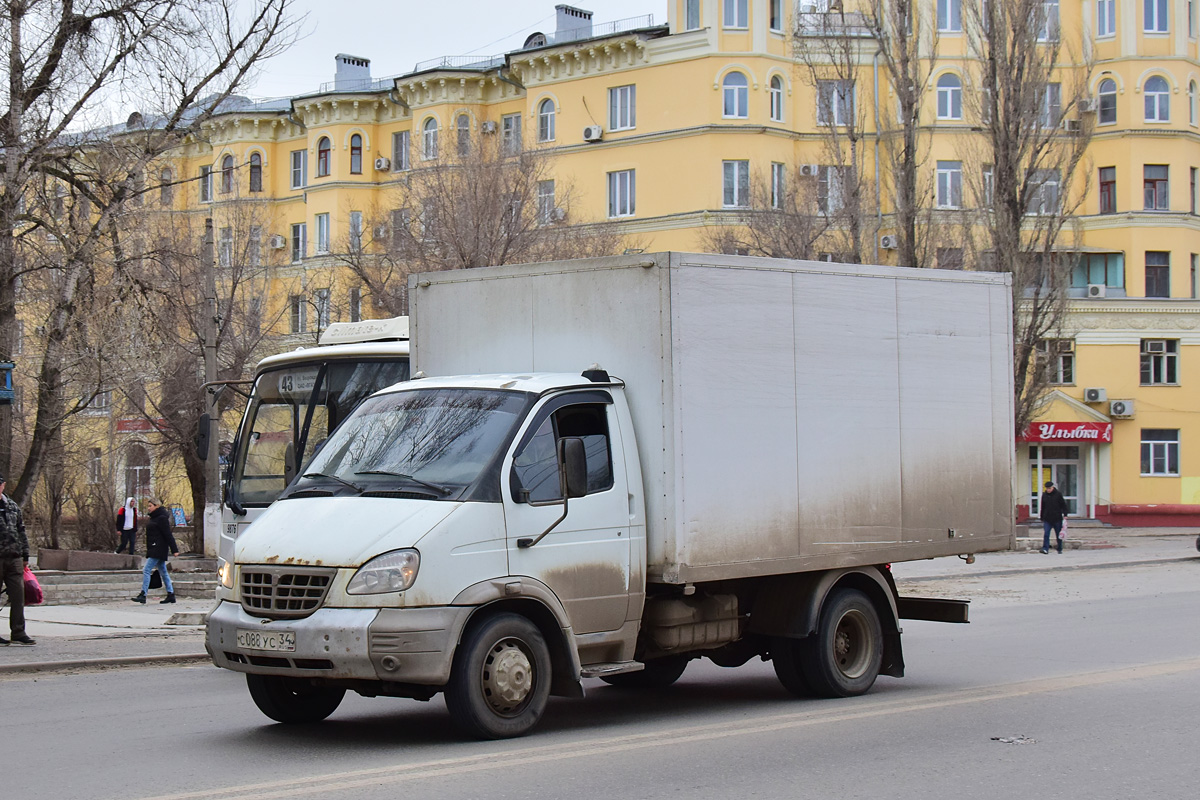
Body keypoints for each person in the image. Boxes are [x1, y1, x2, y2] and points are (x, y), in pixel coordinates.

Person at [0, 473, 36, 645]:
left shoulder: (12, 506)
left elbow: (21, 531)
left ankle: (18, 632)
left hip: (14, 557)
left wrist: (25, 555)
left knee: (18, 596)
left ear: (3, 485)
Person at [131, 497, 179, 604]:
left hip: (158, 548)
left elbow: (168, 534)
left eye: (150, 506)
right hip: (154, 547)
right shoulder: (154, 518)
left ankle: (143, 594)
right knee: (163, 571)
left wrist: (174, 549)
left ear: (156, 506)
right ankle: (171, 594)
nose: (148, 508)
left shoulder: (161, 518)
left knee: (146, 570)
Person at [1039, 481, 1068, 554]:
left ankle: (1060, 548)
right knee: (1046, 533)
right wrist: (1042, 516)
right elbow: (1043, 506)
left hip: (1057, 518)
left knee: (1058, 534)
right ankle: (1045, 548)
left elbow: (1063, 505)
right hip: (1047, 518)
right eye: (1047, 488)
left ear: (1053, 487)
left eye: (1049, 488)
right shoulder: (1044, 495)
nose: (1048, 490)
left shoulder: (1058, 494)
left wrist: (1065, 514)